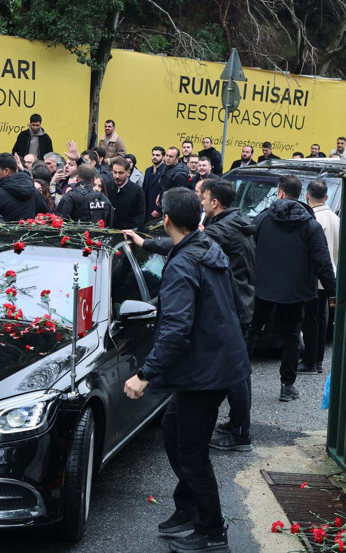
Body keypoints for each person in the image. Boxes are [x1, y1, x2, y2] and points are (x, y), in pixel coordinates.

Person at [124, 187, 249, 553]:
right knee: (174, 430)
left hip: (206, 369)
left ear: (165, 219)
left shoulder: (183, 264)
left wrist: (144, 375)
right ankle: (189, 507)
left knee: (192, 451)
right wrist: (145, 244)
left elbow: (176, 330)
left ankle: (212, 532)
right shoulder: (204, 244)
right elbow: (177, 245)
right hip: (217, 362)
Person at [250, 175, 336, 402]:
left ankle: (238, 377)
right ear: (301, 194)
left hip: (263, 287)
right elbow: (323, 263)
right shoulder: (310, 225)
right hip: (295, 291)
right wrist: (334, 292)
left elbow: (249, 248)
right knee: (290, 337)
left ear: (279, 192)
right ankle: (287, 386)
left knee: (251, 332)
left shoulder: (263, 219)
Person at [193, 180, 257, 452]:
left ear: (215, 202)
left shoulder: (223, 229)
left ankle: (241, 433)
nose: (202, 203)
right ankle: (236, 424)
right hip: (242, 300)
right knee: (238, 370)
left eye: (204, 198)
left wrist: (145, 243)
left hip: (235, 305)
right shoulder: (237, 220)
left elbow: (189, 245)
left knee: (236, 374)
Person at [299, 180, 339, 374]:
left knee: (310, 320)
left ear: (307, 196)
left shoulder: (312, 219)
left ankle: (310, 360)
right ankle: (319, 360)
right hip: (331, 275)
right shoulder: (336, 218)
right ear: (326, 196)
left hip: (315, 276)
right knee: (322, 320)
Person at [0, 153, 50, 221]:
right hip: (31, 230)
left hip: (5, 231)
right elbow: (49, 216)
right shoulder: (34, 191)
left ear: (6, 171)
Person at [106, 157, 145, 230]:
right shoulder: (107, 187)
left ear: (128, 173)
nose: (117, 176)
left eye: (120, 173)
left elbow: (139, 217)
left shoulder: (137, 191)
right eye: (114, 172)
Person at [144, 147, 165, 221]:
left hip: (157, 209)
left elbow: (164, 191)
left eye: (157, 155)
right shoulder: (148, 170)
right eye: (153, 155)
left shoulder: (165, 170)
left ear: (163, 157)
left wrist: (158, 208)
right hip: (146, 208)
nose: (155, 157)